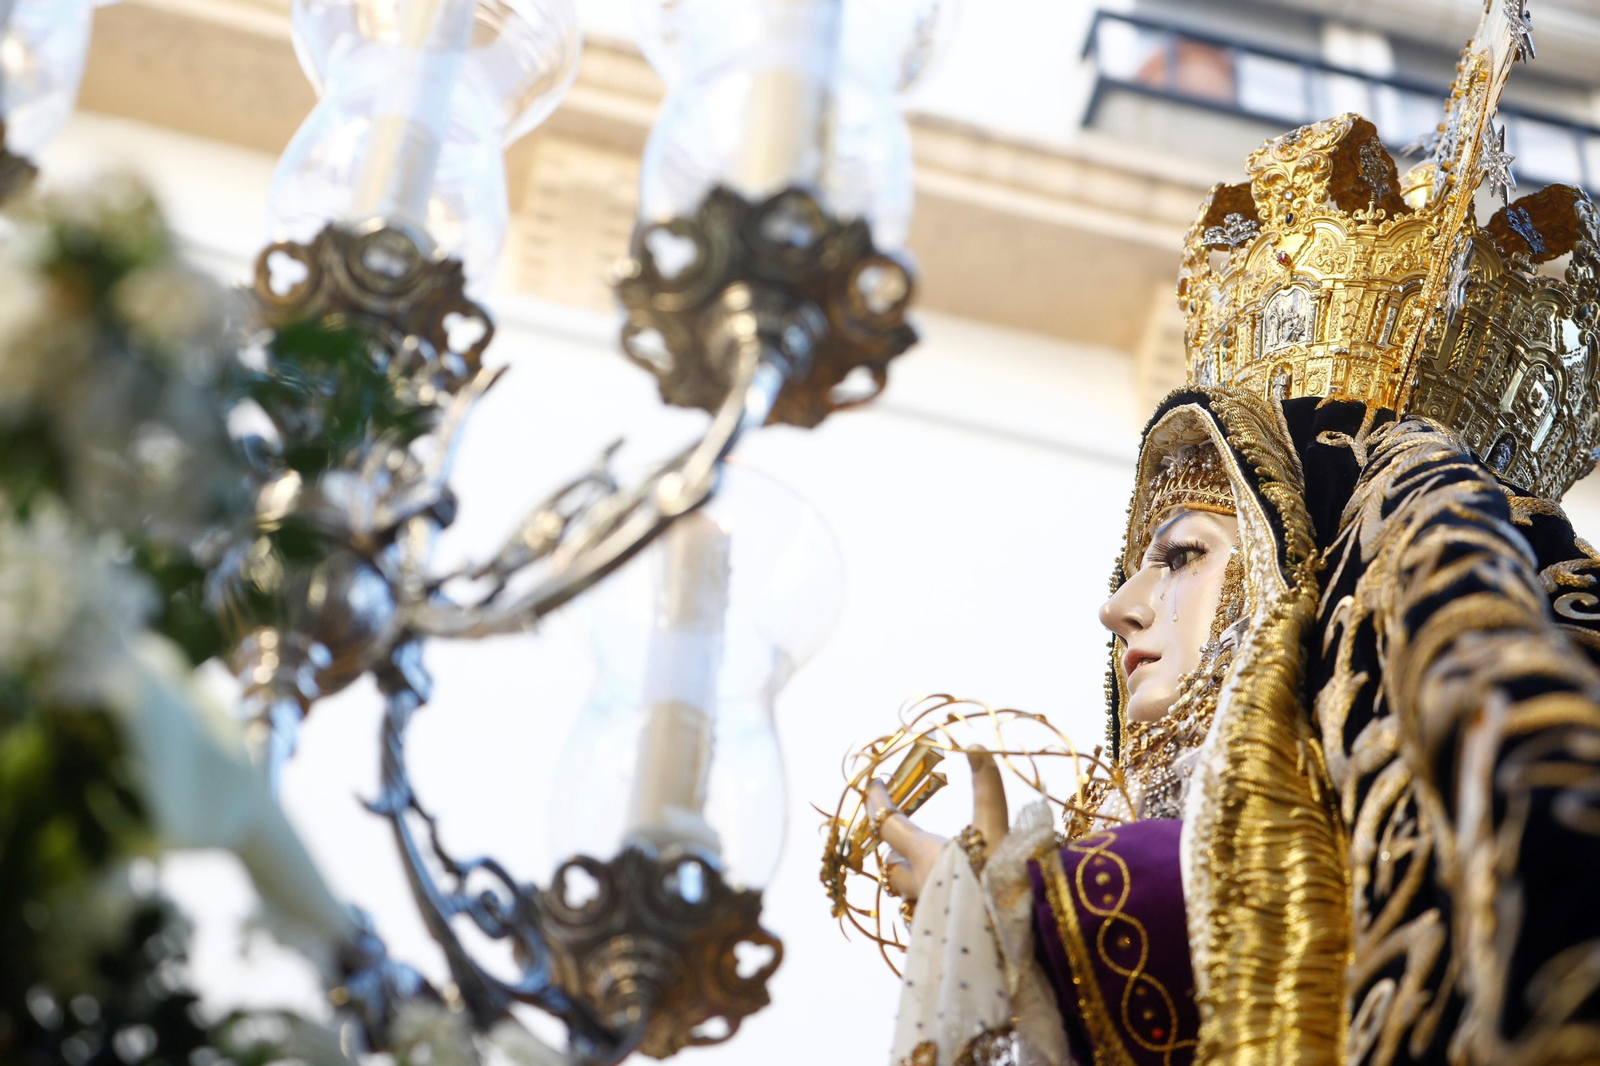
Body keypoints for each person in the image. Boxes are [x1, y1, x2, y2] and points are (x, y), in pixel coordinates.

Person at [857, 10, 1600, 1064]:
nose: (1117, 609)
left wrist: (1023, 911)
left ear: (1286, 573)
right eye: (1136, 567)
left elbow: (1233, 910)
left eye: (1180, 556)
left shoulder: (1370, 807)